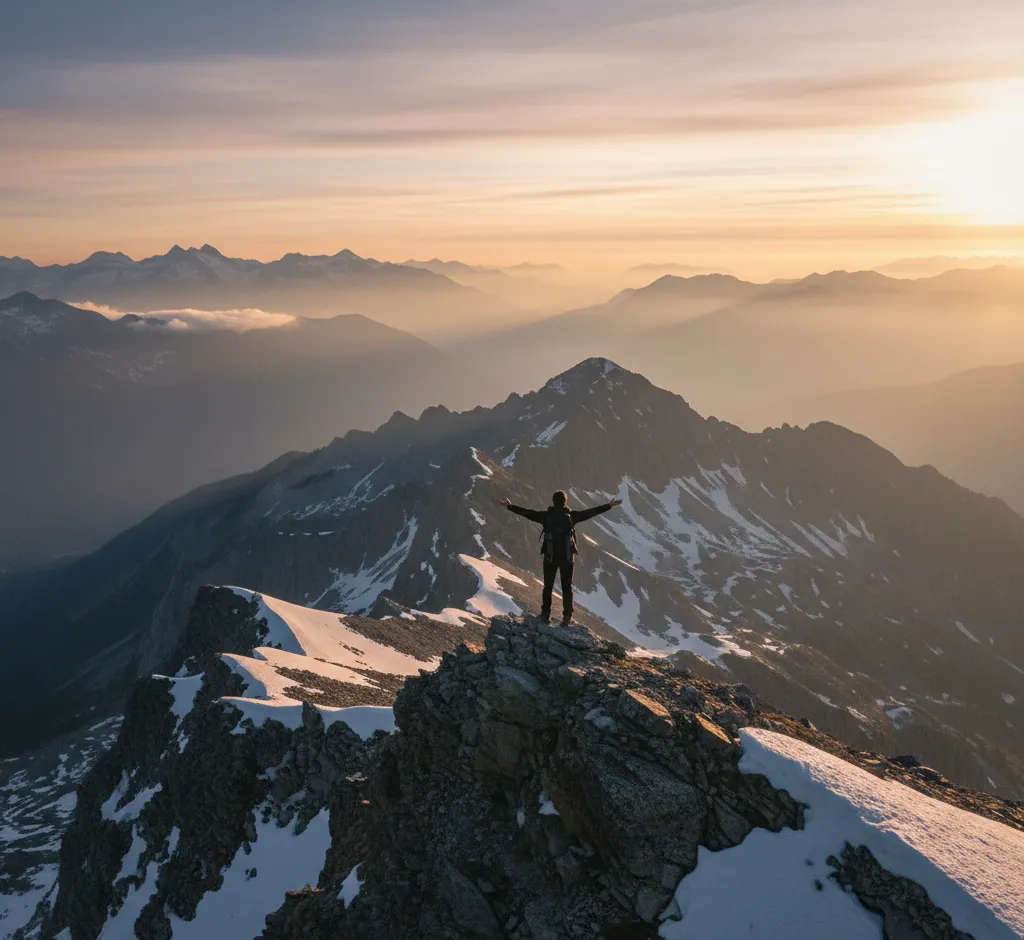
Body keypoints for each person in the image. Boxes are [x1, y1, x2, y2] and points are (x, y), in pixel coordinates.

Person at [500, 490, 622, 625]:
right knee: (567, 588)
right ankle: (567, 617)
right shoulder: (572, 516)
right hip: (567, 558)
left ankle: (545, 615)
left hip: (550, 558)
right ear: (565, 502)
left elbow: (528, 513)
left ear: (553, 501)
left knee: (548, 586)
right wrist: (609, 505)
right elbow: (590, 513)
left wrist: (510, 506)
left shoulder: (546, 516)